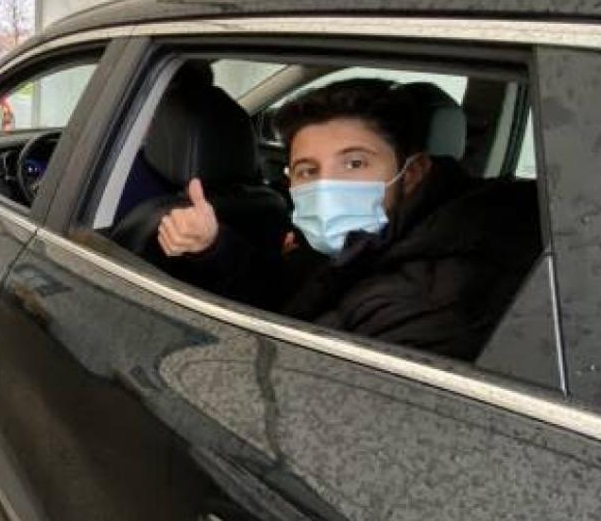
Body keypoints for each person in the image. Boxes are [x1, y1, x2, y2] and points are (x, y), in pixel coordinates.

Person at [157, 78, 541, 360]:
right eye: (308, 170)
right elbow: (288, 294)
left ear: (412, 173)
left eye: (354, 163)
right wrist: (212, 245)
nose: (327, 186)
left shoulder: (423, 303)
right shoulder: (379, 239)